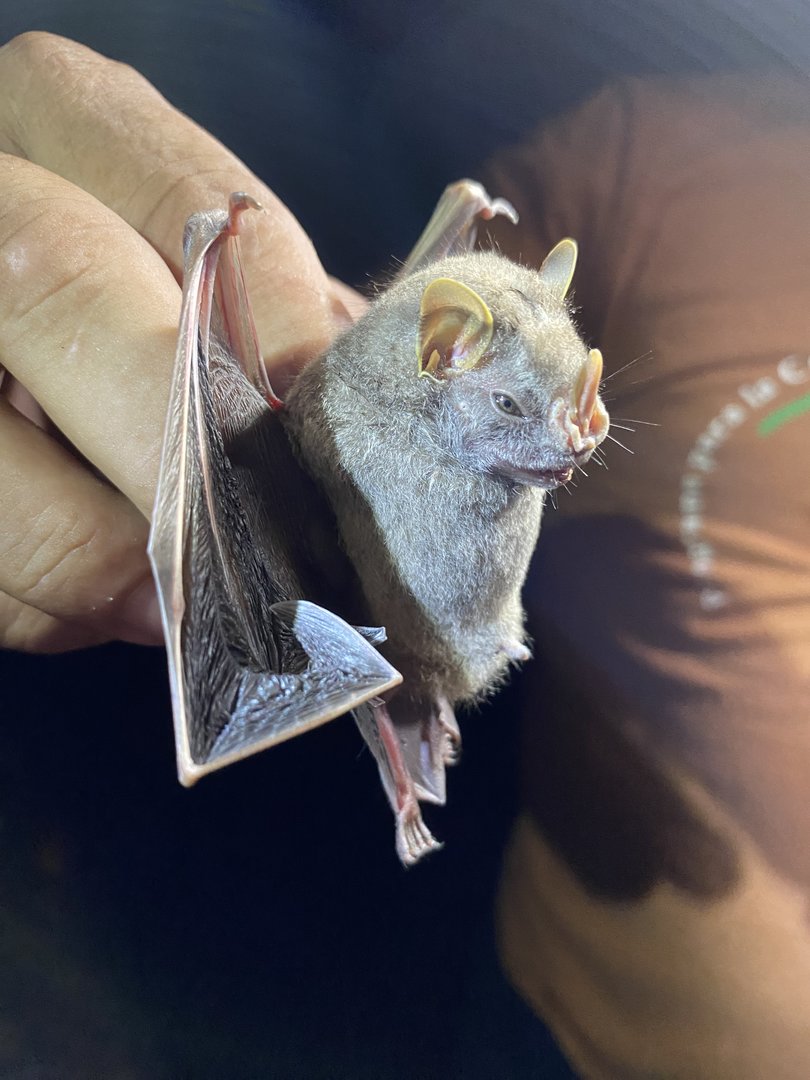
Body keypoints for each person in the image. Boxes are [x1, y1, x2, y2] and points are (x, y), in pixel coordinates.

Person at [1, 32, 809, 1079]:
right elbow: (383, 312)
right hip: (544, 997)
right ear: (442, 358)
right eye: (536, 411)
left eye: (583, 405)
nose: (578, 439)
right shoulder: (678, 160)